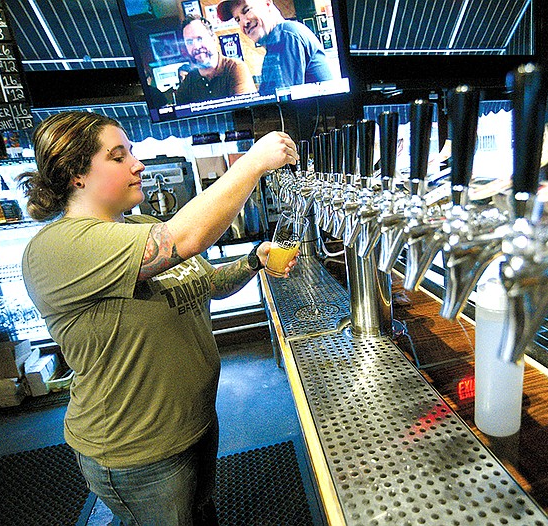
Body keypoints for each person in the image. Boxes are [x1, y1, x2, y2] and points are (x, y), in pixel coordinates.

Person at [18, 111, 298, 525]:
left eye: (131, 151)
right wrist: (252, 163)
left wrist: (252, 261)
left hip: (193, 424)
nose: (138, 163)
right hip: (137, 449)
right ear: (76, 174)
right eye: (118, 156)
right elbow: (186, 237)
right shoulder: (58, 247)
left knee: (201, 515)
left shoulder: (140, 225)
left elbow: (205, 282)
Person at [217, 0, 333, 97]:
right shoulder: (281, 37)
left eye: (247, 10)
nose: (244, 23)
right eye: (238, 19)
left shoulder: (284, 34)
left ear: (267, 4)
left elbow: (275, 109)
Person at [176, 15, 256, 104]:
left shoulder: (235, 67)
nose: (196, 46)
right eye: (189, 42)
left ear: (213, 39)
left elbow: (243, 111)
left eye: (200, 38)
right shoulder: (188, 82)